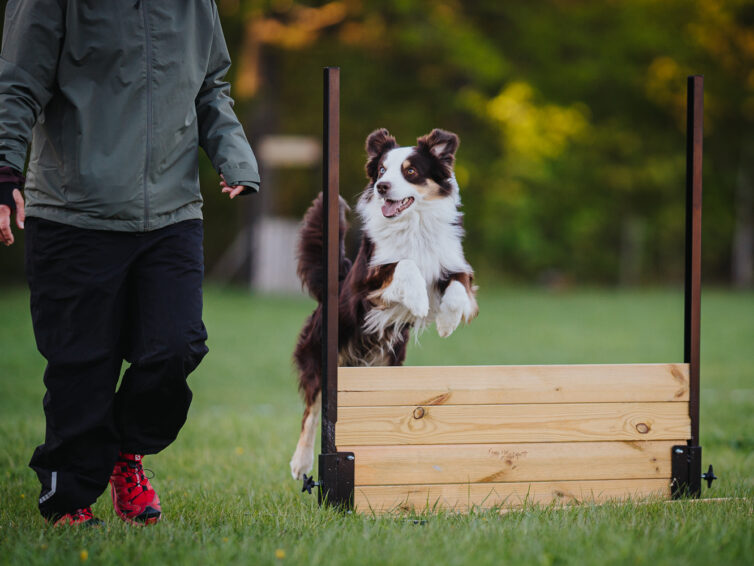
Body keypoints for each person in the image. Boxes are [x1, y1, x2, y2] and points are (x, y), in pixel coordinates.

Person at [0, 1, 260, 526]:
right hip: (75, 209)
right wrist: (4, 169)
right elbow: (17, 83)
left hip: (172, 210)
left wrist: (234, 156)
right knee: (83, 368)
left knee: (176, 347)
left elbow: (210, 86)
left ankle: (126, 453)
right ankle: (68, 495)